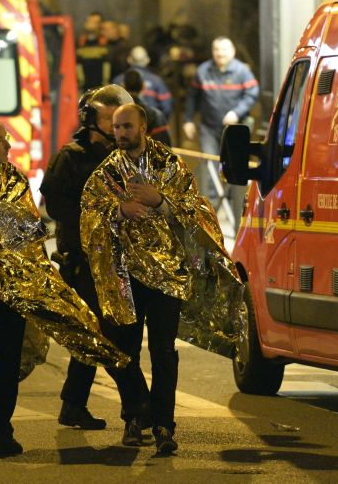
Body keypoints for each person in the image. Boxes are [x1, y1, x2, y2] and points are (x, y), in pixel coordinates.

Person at [0, 119, 127, 458]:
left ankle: (2, 430)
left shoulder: (14, 178)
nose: (9, 146)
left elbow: (29, 225)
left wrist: (21, 259)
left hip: (12, 285)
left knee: (8, 360)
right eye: (3, 142)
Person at [81, 104, 238, 455]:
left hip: (168, 276)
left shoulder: (170, 165)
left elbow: (198, 212)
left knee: (164, 352)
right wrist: (118, 211)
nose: (120, 133)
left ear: (143, 127)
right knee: (124, 349)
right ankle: (135, 418)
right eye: (116, 127)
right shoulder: (107, 171)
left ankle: (164, 425)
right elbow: (88, 214)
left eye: (126, 126)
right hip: (125, 275)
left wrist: (161, 201)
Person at [41, 85, 150, 433]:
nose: (118, 125)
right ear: (92, 121)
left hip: (121, 258)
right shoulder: (71, 157)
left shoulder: (122, 157)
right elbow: (58, 207)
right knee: (111, 334)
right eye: (110, 119)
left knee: (95, 333)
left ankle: (73, 405)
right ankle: (139, 408)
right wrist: (104, 213)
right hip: (85, 260)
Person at [182, 37, 259, 211]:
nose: (220, 54)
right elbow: (192, 97)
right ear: (212, 52)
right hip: (209, 127)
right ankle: (211, 211)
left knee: (235, 167)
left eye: (224, 50)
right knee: (210, 166)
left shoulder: (241, 71)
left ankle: (236, 209)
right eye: (217, 50)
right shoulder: (203, 71)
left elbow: (252, 94)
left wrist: (236, 112)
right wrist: (188, 120)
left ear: (232, 52)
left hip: (234, 129)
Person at [112, 46, 173, 118]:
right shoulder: (157, 81)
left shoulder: (117, 81)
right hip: (151, 124)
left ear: (129, 60)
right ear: (147, 60)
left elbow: (111, 107)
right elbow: (167, 107)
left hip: (124, 124)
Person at [121, 69, 171, 145]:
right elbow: (164, 147)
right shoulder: (156, 116)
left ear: (123, 86)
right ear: (143, 87)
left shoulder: (114, 115)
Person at [77, 11, 109, 91]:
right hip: (84, 89)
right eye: (90, 21)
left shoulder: (106, 43)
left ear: (101, 25)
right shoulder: (79, 43)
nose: (91, 24)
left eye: (95, 22)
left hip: (103, 88)